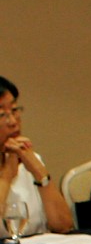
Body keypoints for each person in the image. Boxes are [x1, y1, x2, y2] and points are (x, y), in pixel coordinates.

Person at [0, 76, 72, 235]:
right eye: (1, 114)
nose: (13, 122)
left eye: (14, 110)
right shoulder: (9, 169)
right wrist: (6, 177)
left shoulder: (29, 159)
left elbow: (63, 226)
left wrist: (39, 171)